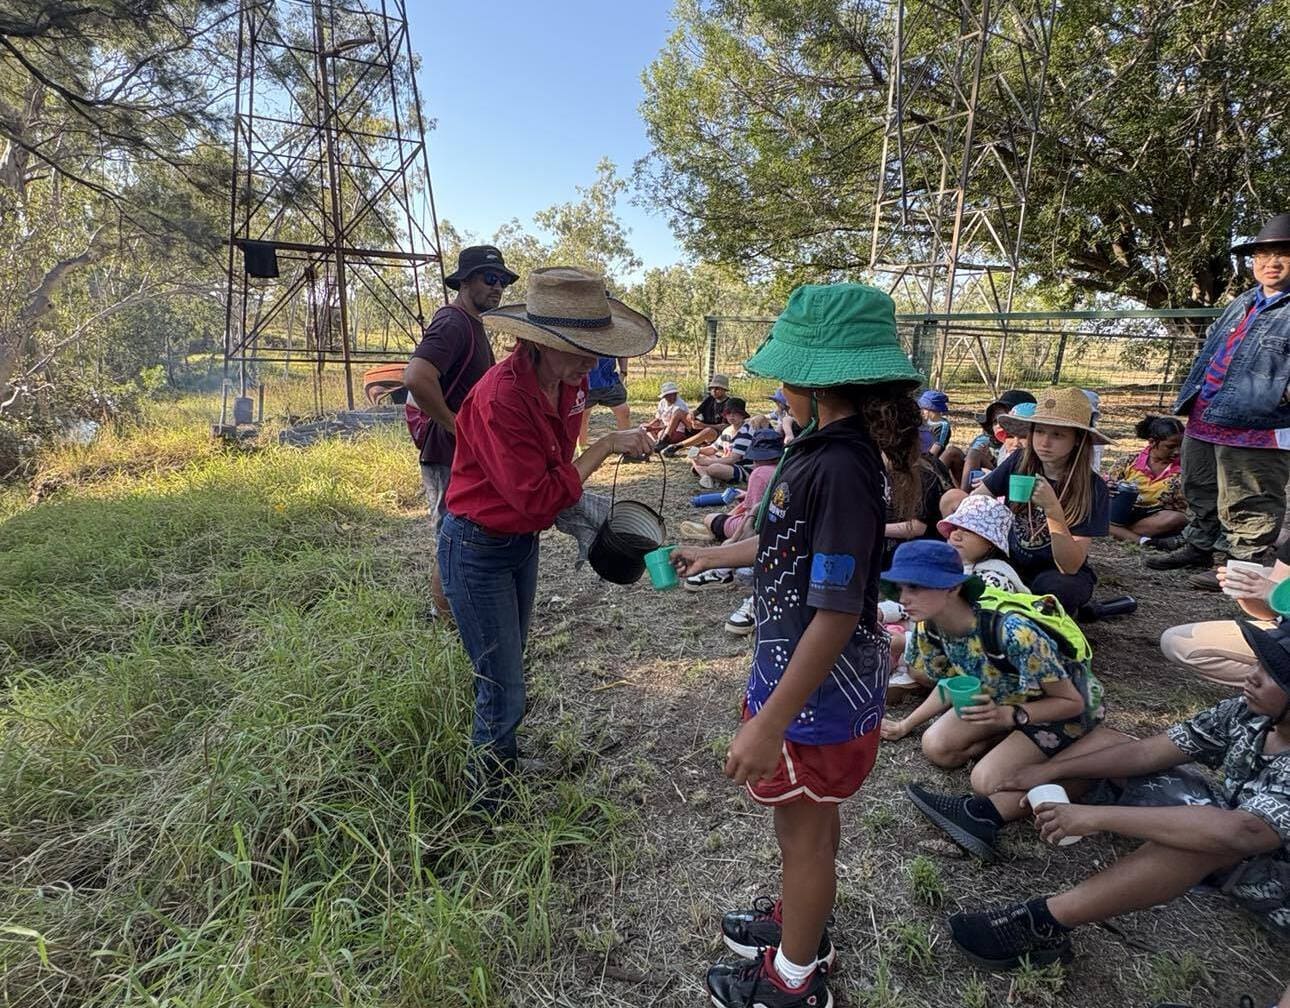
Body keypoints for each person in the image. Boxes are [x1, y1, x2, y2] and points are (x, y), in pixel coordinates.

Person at [671, 283, 924, 1008]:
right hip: (800, 678)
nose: (777, 390)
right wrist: (716, 557)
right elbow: (788, 543)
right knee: (804, 832)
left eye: (785, 376)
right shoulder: (819, 450)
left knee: (805, 838)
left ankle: (793, 979)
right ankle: (801, 925)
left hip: (816, 696)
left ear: (816, 381)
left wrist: (767, 722)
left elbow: (839, 614)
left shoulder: (841, 469)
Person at [946, 620, 1290, 969]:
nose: (1252, 675)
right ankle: (984, 815)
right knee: (1111, 746)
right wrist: (1051, 771)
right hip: (1238, 818)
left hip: (1275, 878)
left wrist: (1093, 816)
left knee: (1204, 838)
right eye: (1259, 662)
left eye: (1274, 674)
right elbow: (1149, 752)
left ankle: (1042, 924)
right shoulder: (1248, 712)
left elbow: (1241, 832)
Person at [438, 267, 655, 801]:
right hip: (476, 547)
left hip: (518, 545)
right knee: (500, 681)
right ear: (535, 343)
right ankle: (489, 804)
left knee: (509, 666)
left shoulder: (570, 382)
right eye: (578, 349)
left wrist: (584, 494)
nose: (590, 362)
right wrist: (606, 447)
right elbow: (536, 498)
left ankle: (500, 762)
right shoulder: (499, 400)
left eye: (595, 349)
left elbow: (555, 466)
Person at [878, 541, 1113, 861]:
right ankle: (1018, 747)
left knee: (986, 781)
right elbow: (954, 680)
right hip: (1003, 698)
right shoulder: (929, 628)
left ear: (953, 589)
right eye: (901, 587)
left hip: (1060, 709)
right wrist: (907, 723)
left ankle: (1089, 767)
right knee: (937, 747)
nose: (903, 598)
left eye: (916, 586)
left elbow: (1070, 701)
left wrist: (1010, 717)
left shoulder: (1012, 632)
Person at [1147, 212, 1290, 590]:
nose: (1270, 263)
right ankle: (1200, 545)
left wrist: (1279, 394)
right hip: (1207, 413)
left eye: (1283, 255)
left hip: (1258, 425)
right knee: (1201, 486)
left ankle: (1244, 567)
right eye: (1263, 254)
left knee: (1251, 498)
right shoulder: (1244, 301)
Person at [403, 245, 517, 616]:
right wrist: (456, 427)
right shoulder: (453, 323)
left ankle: (456, 609)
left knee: (460, 532)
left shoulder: (473, 324)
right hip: (445, 451)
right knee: (449, 536)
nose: (497, 286)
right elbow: (417, 377)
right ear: (465, 280)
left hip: (461, 452)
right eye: (489, 278)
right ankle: (445, 617)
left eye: (502, 280)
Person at [974, 387, 1111, 614]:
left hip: (1055, 571)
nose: (1044, 442)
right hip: (1010, 559)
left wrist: (1052, 509)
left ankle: (1051, 615)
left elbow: (1070, 565)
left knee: (1055, 589)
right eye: (1039, 432)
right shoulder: (1019, 461)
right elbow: (979, 498)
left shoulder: (1093, 488)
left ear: (1078, 439)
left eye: (1057, 434)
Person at [1160, 537, 1290, 688]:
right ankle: (1276, 686)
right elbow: (1271, 614)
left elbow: (1277, 594)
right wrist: (1248, 591)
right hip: (1283, 636)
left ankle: (1277, 689)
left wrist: (1276, 592)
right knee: (1177, 643)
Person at [682, 428, 784, 595]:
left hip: (759, 533)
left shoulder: (759, 474)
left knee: (710, 518)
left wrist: (734, 540)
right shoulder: (785, 468)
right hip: (777, 529)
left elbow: (753, 516)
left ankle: (722, 569)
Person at [1106, 415, 1186, 546]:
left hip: (1153, 519)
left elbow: (1183, 508)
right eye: (1170, 447)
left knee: (1177, 518)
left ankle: (1119, 533)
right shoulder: (1129, 461)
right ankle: (1145, 541)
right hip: (1121, 515)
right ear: (1152, 442)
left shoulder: (1184, 469)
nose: (1177, 452)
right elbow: (1108, 484)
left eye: (1180, 446)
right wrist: (1108, 488)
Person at [938, 494, 1028, 593]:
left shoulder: (995, 580)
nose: (955, 535)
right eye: (955, 528)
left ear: (990, 544)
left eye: (968, 530)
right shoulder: (946, 568)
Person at [960, 389, 1036, 491]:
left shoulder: (1035, 458)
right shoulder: (997, 445)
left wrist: (992, 478)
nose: (999, 425)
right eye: (995, 421)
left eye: (1023, 436)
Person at [661, 374, 734, 455]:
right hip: (701, 428)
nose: (713, 390)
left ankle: (677, 446)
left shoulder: (729, 403)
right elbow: (696, 412)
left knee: (709, 431)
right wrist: (691, 417)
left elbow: (725, 426)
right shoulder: (710, 399)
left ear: (724, 390)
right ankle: (664, 440)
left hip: (715, 434)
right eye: (712, 388)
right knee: (679, 412)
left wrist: (703, 425)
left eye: (717, 388)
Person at [691, 398, 756, 487]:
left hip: (742, 468)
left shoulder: (746, 432)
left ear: (742, 415)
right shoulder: (727, 430)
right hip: (727, 462)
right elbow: (713, 449)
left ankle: (706, 472)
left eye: (735, 413)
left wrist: (707, 462)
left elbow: (733, 459)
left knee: (714, 468)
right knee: (695, 456)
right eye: (729, 413)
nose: (731, 416)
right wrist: (698, 451)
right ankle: (705, 476)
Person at [578, 356, 631, 451]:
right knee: (581, 417)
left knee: (624, 411)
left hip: (610, 381)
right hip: (585, 381)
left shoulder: (614, 340)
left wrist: (623, 372)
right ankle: (582, 449)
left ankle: (625, 448)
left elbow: (622, 349)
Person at [645, 381, 692, 447]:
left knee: (661, 433)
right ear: (664, 396)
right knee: (643, 427)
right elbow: (658, 418)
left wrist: (654, 428)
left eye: (674, 394)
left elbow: (671, 425)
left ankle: (659, 442)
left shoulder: (679, 405)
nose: (672, 397)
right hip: (662, 427)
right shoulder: (662, 402)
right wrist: (649, 425)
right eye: (669, 395)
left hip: (676, 430)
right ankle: (656, 442)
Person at [919, 389, 952, 458]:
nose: (921, 412)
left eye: (924, 409)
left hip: (932, 461)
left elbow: (934, 451)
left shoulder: (942, 426)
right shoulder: (921, 422)